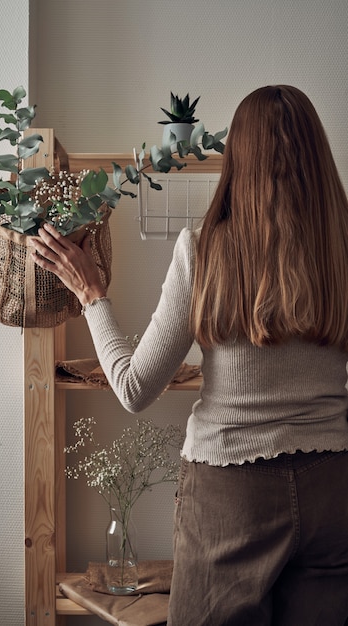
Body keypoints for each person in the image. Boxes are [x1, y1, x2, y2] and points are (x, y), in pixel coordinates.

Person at [30, 85, 348, 625]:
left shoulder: (203, 249)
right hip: (334, 489)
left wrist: (90, 294)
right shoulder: (342, 252)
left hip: (232, 489)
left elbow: (133, 390)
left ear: (238, 160)